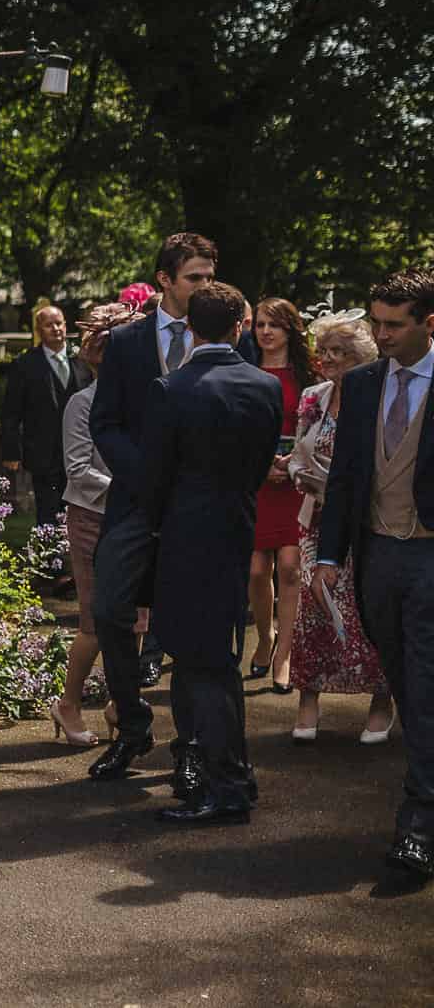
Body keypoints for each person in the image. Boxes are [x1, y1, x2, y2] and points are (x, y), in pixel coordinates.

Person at [141, 282, 283, 824]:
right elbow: (259, 463)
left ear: (191, 328)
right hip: (236, 531)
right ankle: (209, 771)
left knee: (205, 666)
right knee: (214, 658)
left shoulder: (172, 389)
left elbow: (155, 479)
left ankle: (227, 784)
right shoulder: (264, 387)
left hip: (183, 538)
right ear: (240, 327)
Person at [87, 231, 219, 782]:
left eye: (211, 277)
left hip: (197, 505)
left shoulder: (227, 337)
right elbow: (105, 422)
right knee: (109, 608)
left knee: (187, 623)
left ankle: (189, 745)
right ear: (165, 281)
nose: (206, 287)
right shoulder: (126, 344)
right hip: (135, 502)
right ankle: (134, 730)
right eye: (196, 278)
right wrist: (141, 473)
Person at [317, 268, 434, 880]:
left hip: (431, 555)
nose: (380, 335)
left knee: (424, 679)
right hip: (379, 555)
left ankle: (417, 826)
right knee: (408, 684)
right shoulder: (361, 384)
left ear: (429, 323)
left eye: (394, 324)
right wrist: (330, 556)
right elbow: (345, 478)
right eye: (376, 322)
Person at [286, 313, 393, 744]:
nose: (328, 359)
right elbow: (298, 451)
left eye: (339, 353)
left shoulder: (377, 396)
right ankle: (308, 699)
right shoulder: (313, 398)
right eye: (325, 351)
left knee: (370, 609)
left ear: (361, 358)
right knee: (314, 607)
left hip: (366, 519)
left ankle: (382, 700)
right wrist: (297, 472)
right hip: (315, 518)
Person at [49, 301, 136, 746]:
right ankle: (68, 703)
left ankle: (124, 705)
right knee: (95, 622)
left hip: (136, 516)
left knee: (136, 620)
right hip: (93, 518)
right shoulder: (81, 404)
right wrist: (134, 485)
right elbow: (79, 470)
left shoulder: (146, 401)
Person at [247, 297, 315, 691]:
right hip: (256, 478)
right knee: (256, 569)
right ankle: (265, 637)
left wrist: (291, 461)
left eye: (274, 325)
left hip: (297, 478)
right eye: (259, 325)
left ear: (290, 329)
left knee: (290, 568)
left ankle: (285, 655)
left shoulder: (310, 375)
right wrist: (263, 462)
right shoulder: (246, 371)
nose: (266, 332)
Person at [1, 304, 88, 529]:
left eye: (59, 323)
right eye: (49, 325)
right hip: (42, 453)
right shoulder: (25, 364)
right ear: (39, 330)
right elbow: (11, 412)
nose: (56, 329)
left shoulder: (83, 361)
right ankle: (48, 559)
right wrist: (12, 451)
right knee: (48, 510)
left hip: (79, 450)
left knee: (79, 510)